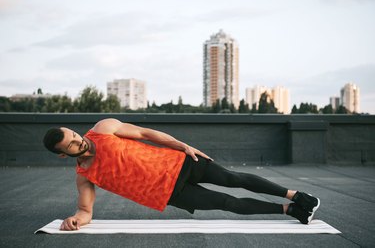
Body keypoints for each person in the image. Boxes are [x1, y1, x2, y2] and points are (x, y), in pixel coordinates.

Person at [43, 118, 320, 231]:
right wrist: (75, 220)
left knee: (234, 178)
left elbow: (146, 133)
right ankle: (291, 210)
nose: (80, 141)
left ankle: (298, 195)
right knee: (228, 203)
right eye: (72, 144)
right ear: (63, 154)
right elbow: (85, 211)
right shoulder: (85, 175)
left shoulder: (103, 129)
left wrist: (183, 146)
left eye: (75, 135)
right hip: (171, 192)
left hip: (180, 163)